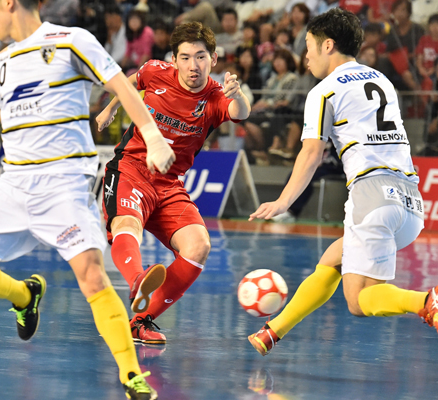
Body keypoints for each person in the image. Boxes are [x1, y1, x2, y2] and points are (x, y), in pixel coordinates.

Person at [0, 0, 175, 398]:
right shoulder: (3, 60)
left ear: (8, 2)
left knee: (92, 275)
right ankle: (24, 294)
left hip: (64, 184)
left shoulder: (71, 41)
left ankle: (131, 374)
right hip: (12, 184)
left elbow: (119, 84)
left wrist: (152, 136)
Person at [247, 8, 438, 356]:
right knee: (332, 260)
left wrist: (283, 201)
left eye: (308, 46)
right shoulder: (382, 80)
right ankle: (273, 331)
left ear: (328, 45)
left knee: (359, 300)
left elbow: (311, 153)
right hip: (410, 200)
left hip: (371, 195)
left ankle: (426, 301)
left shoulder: (325, 91)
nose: (305, 56)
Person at [96, 21, 250, 345]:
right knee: (127, 224)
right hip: (131, 169)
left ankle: (140, 321)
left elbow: (240, 113)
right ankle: (138, 280)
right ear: (174, 59)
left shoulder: (215, 97)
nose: (193, 66)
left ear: (214, 59)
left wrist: (239, 95)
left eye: (201, 57)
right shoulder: (155, 71)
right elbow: (129, 83)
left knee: (199, 246)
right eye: (185, 57)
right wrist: (110, 109)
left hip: (169, 186)